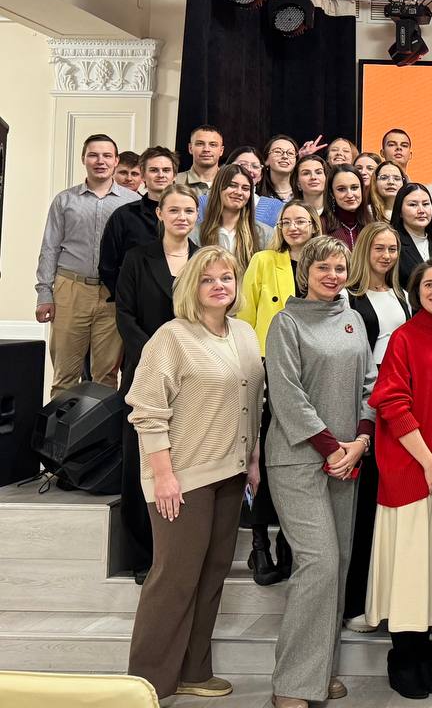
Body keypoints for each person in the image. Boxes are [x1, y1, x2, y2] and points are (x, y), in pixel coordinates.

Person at [124, 246, 264, 704]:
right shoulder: (171, 337)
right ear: (190, 287)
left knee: (212, 575)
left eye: (226, 278)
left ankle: (194, 671)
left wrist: (253, 461)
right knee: (174, 579)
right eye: (208, 279)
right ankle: (145, 684)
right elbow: (147, 410)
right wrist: (163, 475)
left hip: (231, 473)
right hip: (182, 477)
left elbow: (254, 403)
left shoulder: (244, 333)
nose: (219, 286)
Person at [265, 236, 376, 708]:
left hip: (346, 459)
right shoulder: (286, 322)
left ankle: (318, 671)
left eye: (340, 268)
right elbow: (286, 393)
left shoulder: (352, 319)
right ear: (305, 271)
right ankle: (292, 684)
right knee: (320, 563)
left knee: (340, 564)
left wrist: (361, 441)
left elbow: (371, 384)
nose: (333, 276)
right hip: (298, 459)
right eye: (323, 268)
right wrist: (331, 447)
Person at [366, 258, 432, 698]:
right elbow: (391, 403)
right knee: (408, 568)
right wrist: (427, 462)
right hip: (410, 468)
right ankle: (403, 657)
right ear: (416, 290)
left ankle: (423, 654)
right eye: (430, 285)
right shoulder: (402, 338)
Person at [116, 183, 201, 581]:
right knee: (142, 463)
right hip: (145, 371)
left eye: (189, 211)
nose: (182, 217)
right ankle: (142, 555)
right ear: (160, 214)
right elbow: (125, 315)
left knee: (185, 462)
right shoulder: (137, 258)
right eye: (175, 210)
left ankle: (180, 550)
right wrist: (156, 354)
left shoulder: (203, 259)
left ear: (196, 216)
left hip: (194, 375)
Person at [238, 201, 320, 585]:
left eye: (301, 221)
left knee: (295, 460)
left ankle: (288, 543)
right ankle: (259, 545)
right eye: (287, 221)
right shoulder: (264, 261)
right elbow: (244, 317)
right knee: (265, 457)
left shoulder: (322, 265)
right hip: (268, 365)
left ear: (314, 224)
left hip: (309, 370)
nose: (293, 227)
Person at [343, 222, 411, 634]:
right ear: (364, 249)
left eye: (393, 249)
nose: (387, 256)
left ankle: (388, 601)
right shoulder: (348, 297)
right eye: (379, 248)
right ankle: (356, 604)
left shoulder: (402, 296)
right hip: (366, 400)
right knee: (365, 507)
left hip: (397, 398)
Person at [35, 133, 138, 393]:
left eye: (106, 156)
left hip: (112, 294)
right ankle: (60, 422)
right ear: (83, 159)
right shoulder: (64, 200)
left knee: (105, 377)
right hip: (71, 289)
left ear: (116, 161)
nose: (100, 161)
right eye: (93, 155)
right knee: (65, 375)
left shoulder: (132, 203)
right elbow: (49, 248)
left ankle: (100, 423)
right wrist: (44, 294)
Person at [98, 145, 176, 298]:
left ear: (174, 176)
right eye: (154, 170)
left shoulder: (187, 214)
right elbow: (107, 265)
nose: (161, 175)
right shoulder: (124, 215)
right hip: (135, 301)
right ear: (143, 176)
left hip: (179, 300)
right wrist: (125, 298)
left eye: (166, 170)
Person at [197, 164, 271, 271]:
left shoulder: (264, 234)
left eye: (245, 188)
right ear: (218, 188)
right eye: (232, 185)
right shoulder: (197, 232)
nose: (239, 192)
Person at [391, 181, 432, 291]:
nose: (421, 210)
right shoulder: (392, 246)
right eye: (413, 205)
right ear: (399, 211)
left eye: (426, 204)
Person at [323, 163, 373, 249]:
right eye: (341, 189)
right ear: (332, 193)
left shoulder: (372, 224)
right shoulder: (321, 225)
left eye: (354, 188)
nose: (350, 195)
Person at [176, 124, 224, 195]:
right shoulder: (175, 182)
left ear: (221, 150)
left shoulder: (231, 182)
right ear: (190, 148)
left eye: (213, 145)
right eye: (200, 144)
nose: (206, 149)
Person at [262, 135, 300, 205]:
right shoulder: (256, 193)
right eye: (278, 152)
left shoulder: (303, 193)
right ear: (266, 160)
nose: (285, 156)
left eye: (290, 153)